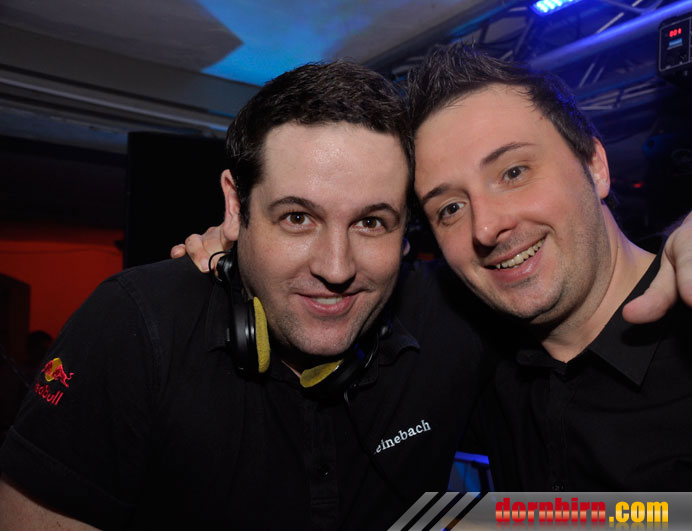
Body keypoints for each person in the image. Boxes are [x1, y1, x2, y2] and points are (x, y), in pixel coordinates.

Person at [0, 61, 493, 530]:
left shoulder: (454, 322)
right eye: (297, 218)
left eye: (370, 222)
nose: (336, 268)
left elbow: (537, 510)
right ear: (236, 207)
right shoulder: (135, 327)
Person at [402, 45, 692, 489]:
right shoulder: (480, 370)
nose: (486, 227)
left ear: (595, 167)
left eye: (514, 172)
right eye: (451, 208)